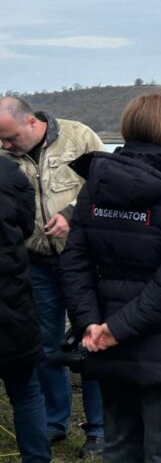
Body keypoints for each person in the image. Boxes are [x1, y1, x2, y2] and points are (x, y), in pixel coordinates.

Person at [60, 91, 161, 462]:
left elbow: (74, 261)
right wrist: (116, 330)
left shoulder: (97, 183)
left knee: (120, 447)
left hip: (105, 338)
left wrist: (91, 324)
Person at [0, 96, 105, 456]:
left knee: (91, 342)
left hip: (82, 262)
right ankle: (54, 421)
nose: (6, 145)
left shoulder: (79, 138)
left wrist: (73, 215)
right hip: (35, 262)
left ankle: (98, 429)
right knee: (44, 346)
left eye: (10, 137)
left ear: (31, 122)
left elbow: (106, 185)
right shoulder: (4, 155)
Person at [0, 156, 51, 462]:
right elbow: (27, 224)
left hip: (12, 301)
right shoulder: (10, 174)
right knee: (26, 392)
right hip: (13, 303)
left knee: (27, 392)